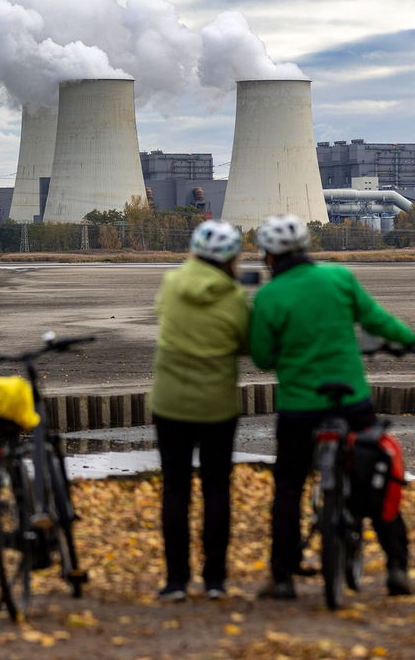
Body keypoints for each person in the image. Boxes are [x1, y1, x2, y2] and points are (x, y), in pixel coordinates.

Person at [248, 214, 415, 600]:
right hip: (351, 401)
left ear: (269, 256)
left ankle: (282, 577)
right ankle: (397, 567)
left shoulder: (268, 296)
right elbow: (375, 320)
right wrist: (412, 341)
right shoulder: (338, 278)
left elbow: (261, 356)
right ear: (305, 247)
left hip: (299, 405)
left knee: (289, 488)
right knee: (376, 477)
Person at [149, 219, 249, 602]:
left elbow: (162, 315)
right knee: (216, 490)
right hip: (216, 406)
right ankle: (214, 580)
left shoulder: (172, 283)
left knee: (175, 491)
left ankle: (175, 581)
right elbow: (243, 342)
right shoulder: (233, 295)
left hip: (170, 402)